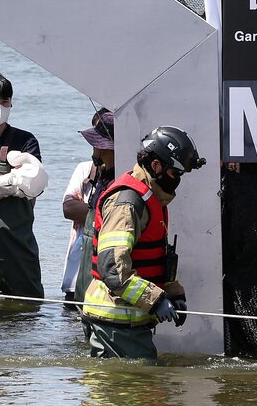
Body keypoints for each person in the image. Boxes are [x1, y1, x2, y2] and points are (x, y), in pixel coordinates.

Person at [81, 126, 206, 359]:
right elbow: (113, 270)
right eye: (175, 173)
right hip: (114, 320)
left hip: (126, 321)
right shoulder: (126, 204)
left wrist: (173, 293)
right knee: (134, 391)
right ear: (157, 166)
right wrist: (156, 300)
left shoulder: (150, 198)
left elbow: (154, 258)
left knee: (144, 389)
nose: (177, 180)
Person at [0, 71, 48, 301]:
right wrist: (8, 185)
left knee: (27, 305)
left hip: (16, 239)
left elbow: (32, 185)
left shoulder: (25, 140)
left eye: (5, 102)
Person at [59, 110, 116, 309]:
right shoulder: (86, 170)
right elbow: (68, 208)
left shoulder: (121, 179)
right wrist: (99, 214)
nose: (94, 148)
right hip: (77, 278)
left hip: (102, 282)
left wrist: (97, 214)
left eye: (98, 141)